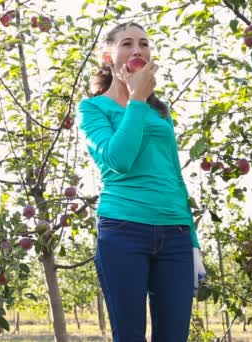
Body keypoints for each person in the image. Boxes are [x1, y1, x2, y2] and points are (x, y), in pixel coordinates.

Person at [77, 22, 205, 341]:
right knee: (130, 336)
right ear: (108, 56)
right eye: (127, 43)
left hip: (175, 233)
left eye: (144, 44)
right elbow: (118, 160)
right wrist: (136, 99)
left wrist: (193, 242)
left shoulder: (161, 111)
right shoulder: (92, 109)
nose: (138, 49)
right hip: (123, 230)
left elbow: (174, 174)